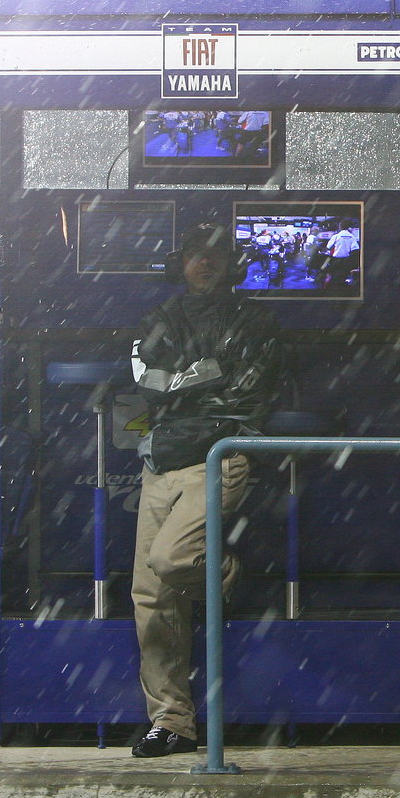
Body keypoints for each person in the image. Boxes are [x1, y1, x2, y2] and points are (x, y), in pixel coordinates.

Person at [128, 222, 285, 756]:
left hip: (221, 454)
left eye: (216, 254)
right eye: (196, 253)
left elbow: (247, 390)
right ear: (181, 261)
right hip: (162, 459)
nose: (205, 262)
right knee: (151, 596)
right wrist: (205, 376)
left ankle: (228, 576)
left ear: (232, 263)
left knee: (173, 561)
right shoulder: (158, 317)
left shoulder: (256, 319)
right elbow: (143, 382)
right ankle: (171, 721)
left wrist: (181, 387)